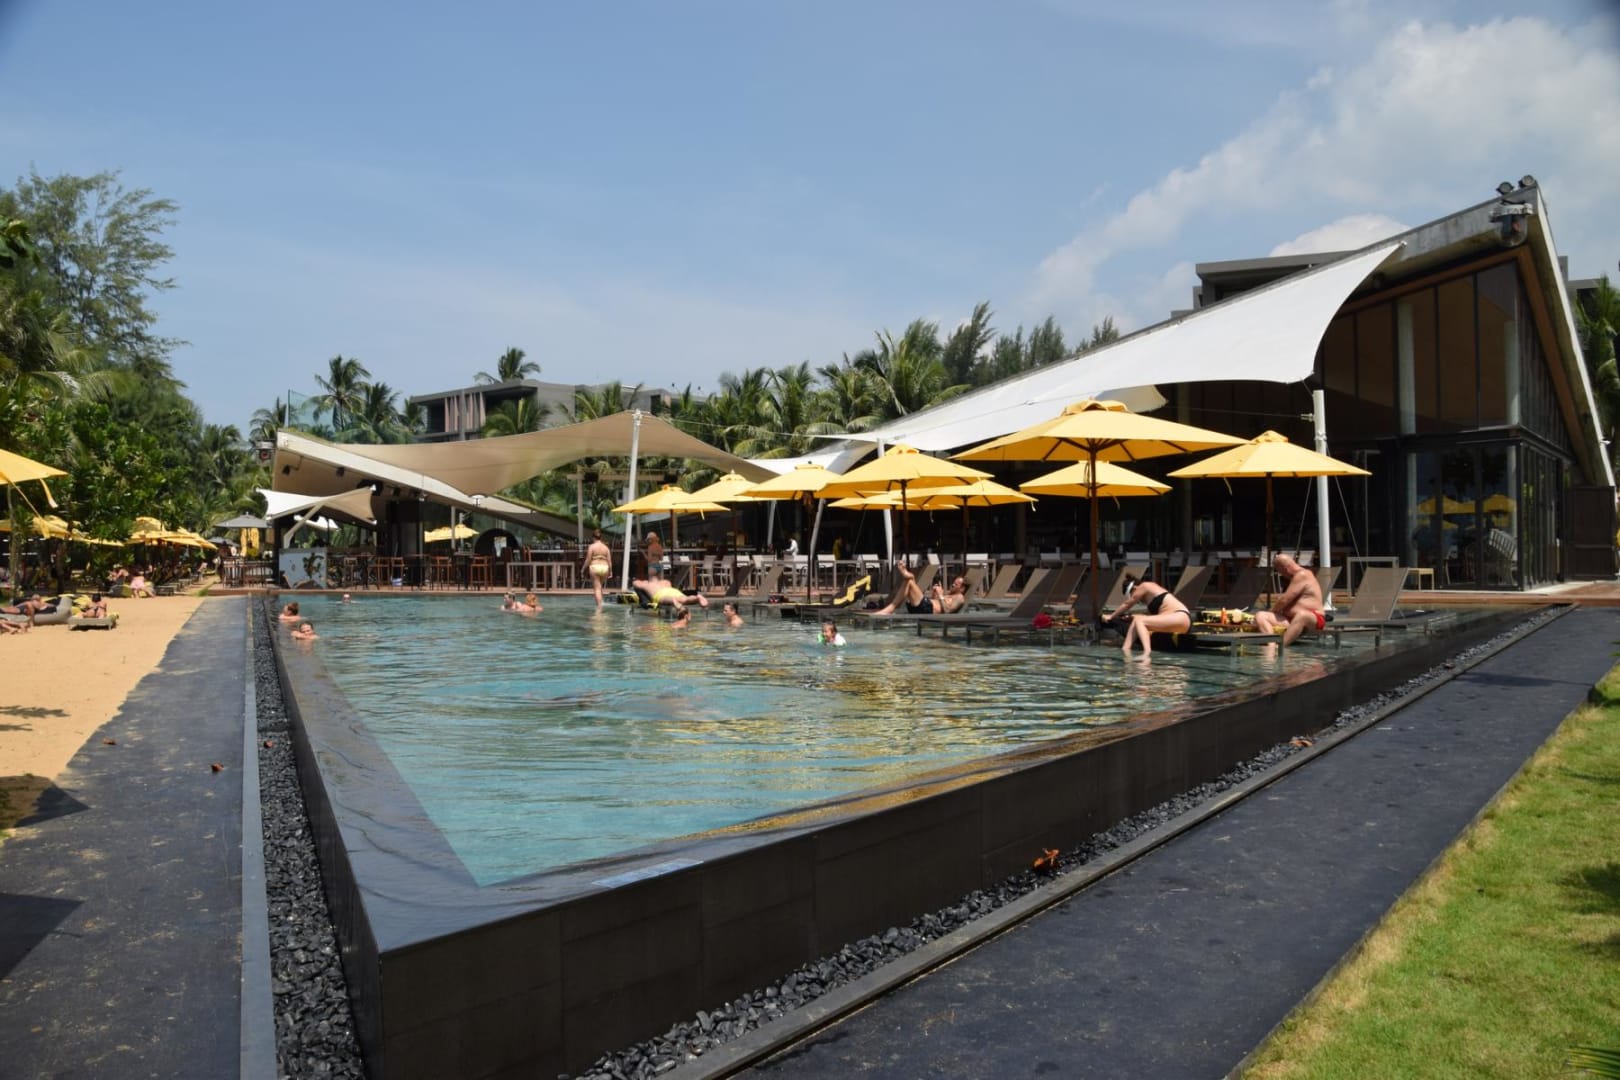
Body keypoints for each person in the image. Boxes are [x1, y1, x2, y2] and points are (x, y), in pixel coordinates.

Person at [1109, 574, 1193, 657]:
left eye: (1132, 594)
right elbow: (1151, 618)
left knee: (1139, 620)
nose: (1138, 600)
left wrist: (1111, 616)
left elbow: (1127, 604)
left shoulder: (1145, 585)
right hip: (1178, 623)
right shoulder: (1151, 596)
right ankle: (1126, 650)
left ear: (1134, 588)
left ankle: (1147, 653)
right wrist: (1132, 617)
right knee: (1137, 619)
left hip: (1180, 617)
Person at [1253, 553, 1326, 645]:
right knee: (1260, 615)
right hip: (1292, 620)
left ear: (1285, 569)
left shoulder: (1303, 574)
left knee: (1302, 615)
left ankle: (1281, 646)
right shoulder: (1294, 578)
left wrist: (1273, 611)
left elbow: (1285, 599)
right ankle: (1271, 645)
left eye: (1281, 572)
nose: (1282, 575)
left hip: (1313, 619)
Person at [873, 566, 966, 615]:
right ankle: (909, 576)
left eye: (956, 584)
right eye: (954, 582)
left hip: (926, 609)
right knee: (909, 580)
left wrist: (941, 595)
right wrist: (935, 593)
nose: (953, 585)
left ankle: (891, 608)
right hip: (925, 607)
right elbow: (936, 603)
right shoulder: (949, 594)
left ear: (962, 588)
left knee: (909, 581)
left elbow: (947, 611)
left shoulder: (960, 597)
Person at [632, 576, 709, 613]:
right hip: (674, 591)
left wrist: (643, 582)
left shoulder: (647, 585)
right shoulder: (666, 582)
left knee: (666, 599)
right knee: (685, 599)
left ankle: (673, 601)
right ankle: (697, 598)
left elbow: (635, 583)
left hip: (660, 594)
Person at [583, 529, 613, 610]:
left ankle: (599, 609)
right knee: (599, 587)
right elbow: (609, 561)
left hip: (595, 567)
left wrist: (583, 569)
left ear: (593, 537)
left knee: (597, 589)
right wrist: (611, 571)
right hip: (605, 568)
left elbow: (588, 560)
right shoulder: (606, 548)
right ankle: (601, 604)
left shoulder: (592, 547)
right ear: (600, 537)